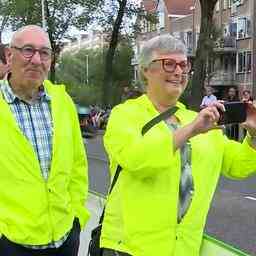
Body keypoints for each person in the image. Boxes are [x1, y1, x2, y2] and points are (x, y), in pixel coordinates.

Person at [100, 34, 256, 256]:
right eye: (169, 64)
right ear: (146, 70)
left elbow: (238, 166)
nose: (178, 71)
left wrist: (253, 133)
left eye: (183, 65)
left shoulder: (198, 119)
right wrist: (191, 130)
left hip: (183, 249)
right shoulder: (125, 115)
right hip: (129, 248)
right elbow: (137, 158)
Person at [0, 25, 90, 256]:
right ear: (10, 55)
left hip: (64, 239)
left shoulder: (62, 102)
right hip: (10, 243)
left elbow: (78, 165)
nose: (37, 60)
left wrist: (77, 217)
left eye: (45, 53)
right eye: (28, 50)